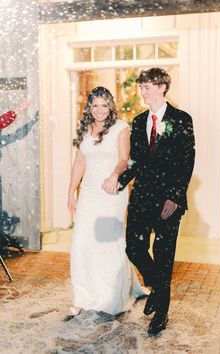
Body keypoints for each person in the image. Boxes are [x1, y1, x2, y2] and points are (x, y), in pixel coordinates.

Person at [117, 68, 195, 335]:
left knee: (164, 256)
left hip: (168, 202)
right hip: (141, 197)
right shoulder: (138, 122)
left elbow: (187, 161)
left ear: (163, 87)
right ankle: (159, 289)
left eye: (147, 86)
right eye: (141, 87)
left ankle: (161, 313)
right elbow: (136, 160)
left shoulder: (182, 119)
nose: (143, 91)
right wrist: (119, 179)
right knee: (133, 247)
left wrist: (174, 196)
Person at [67, 86, 148, 320]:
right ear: (89, 108)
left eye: (104, 105)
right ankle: (82, 296)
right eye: (95, 105)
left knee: (106, 242)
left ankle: (111, 295)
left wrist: (114, 176)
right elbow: (79, 162)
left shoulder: (120, 128)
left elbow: (125, 159)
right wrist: (71, 191)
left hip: (112, 192)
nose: (99, 110)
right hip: (89, 193)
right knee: (82, 242)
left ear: (110, 106)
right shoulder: (84, 129)